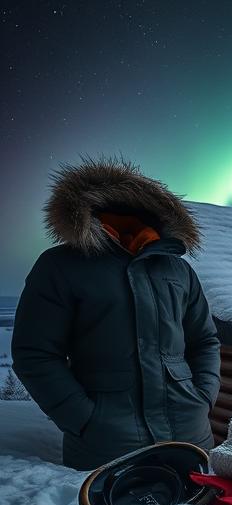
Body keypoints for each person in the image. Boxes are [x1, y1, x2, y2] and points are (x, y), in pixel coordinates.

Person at [12, 157, 220, 471]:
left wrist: (202, 398)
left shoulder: (179, 271)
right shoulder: (60, 266)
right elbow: (35, 353)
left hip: (191, 437)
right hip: (106, 447)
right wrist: (83, 419)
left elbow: (204, 341)